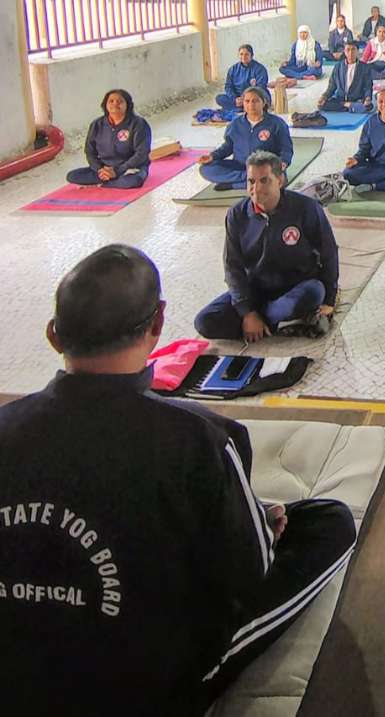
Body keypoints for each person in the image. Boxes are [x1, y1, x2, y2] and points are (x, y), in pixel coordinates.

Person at [0, 243, 357, 715]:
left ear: (53, 334)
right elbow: (249, 576)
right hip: (139, 688)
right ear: (158, 324)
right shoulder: (200, 438)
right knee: (329, 522)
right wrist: (261, 531)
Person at [196, 152, 338, 341]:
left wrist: (329, 300)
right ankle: (276, 322)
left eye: (264, 181)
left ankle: (268, 321)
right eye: (251, 181)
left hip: (298, 285)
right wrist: (248, 312)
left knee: (314, 292)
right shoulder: (237, 214)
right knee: (205, 322)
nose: (256, 188)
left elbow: (329, 252)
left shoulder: (306, 208)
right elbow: (232, 267)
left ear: (280, 180)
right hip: (257, 289)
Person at [198, 87, 292, 191]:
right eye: (247, 101)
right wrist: (212, 156)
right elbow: (227, 147)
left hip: (265, 167)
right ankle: (250, 179)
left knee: (280, 180)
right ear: (243, 103)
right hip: (241, 166)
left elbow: (286, 148)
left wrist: (283, 162)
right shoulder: (235, 124)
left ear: (264, 102)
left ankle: (234, 184)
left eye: (255, 101)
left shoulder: (277, 123)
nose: (251, 105)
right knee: (205, 169)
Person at [66, 88, 152, 190]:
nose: (115, 104)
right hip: (105, 167)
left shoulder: (138, 124)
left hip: (130, 168)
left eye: (120, 101)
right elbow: (89, 151)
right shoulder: (97, 124)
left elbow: (142, 153)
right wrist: (99, 169)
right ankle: (109, 179)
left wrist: (118, 171)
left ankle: (104, 183)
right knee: (72, 176)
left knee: (134, 180)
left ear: (128, 105)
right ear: (105, 105)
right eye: (111, 101)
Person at [318, 41, 374, 113]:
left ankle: (346, 106)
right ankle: (349, 106)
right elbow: (332, 86)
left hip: (357, 99)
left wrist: (368, 98)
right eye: (348, 50)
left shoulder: (364, 67)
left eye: (353, 49)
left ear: (357, 51)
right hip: (340, 99)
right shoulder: (338, 67)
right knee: (321, 105)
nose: (350, 53)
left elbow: (368, 86)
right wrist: (324, 97)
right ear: (344, 51)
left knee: (368, 106)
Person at [217, 44, 270, 110]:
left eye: (246, 54)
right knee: (219, 98)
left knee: (263, 99)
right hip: (238, 98)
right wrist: (235, 98)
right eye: (241, 54)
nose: (243, 57)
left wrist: (245, 98)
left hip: (253, 97)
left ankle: (242, 107)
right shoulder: (233, 69)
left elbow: (261, 87)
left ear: (252, 55)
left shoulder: (260, 69)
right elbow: (228, 86)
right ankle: (244, 107)